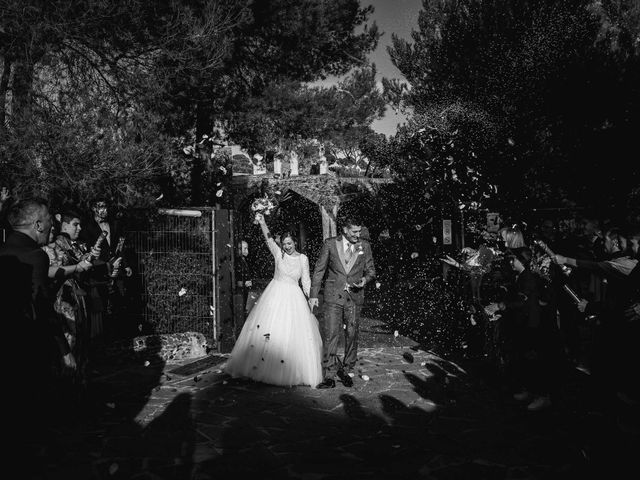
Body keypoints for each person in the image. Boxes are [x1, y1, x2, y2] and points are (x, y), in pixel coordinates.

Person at [0, 198, 76, 463]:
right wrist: (64, 350)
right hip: (28, 344)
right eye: (48, 221)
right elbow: (42, 306)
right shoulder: (36, 256)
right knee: (34, 404)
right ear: (37, 224)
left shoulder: (4, 251)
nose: (52, 227)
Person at [224, 213, 323, 387]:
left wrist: (311, 297)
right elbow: (269, 240)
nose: (287, 247)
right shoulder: (278, 254)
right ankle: (261, 367)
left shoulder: (303, 259)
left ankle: (290, 371)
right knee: (269, 330)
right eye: (284, 244)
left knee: (291, 332)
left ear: (295, 243)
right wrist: (263, 222)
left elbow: (306, 281)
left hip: (294, 298)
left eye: (289, 244)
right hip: (275, 295)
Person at [309, 216, 376, 389]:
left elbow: (371, 271)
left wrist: (364, 280)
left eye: (359, 231)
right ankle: (329, 375)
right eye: (354, 231)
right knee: (331, 335)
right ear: (345, 230)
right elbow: (319, 270)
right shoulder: (330, 244)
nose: (358, 234)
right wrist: (314, 294)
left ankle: (347, 371)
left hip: (354, 298)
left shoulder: (365, 246)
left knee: (352, 335)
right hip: (333, 296)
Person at [79, 199, 132, 339]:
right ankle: (103, 336)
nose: (104, 210)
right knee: (101, 304)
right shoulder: (86, 227)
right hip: (99, 270)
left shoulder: (115, 224)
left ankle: (120, 335)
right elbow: (88, 251)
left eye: (106, 206)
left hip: (118, 268)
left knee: (120, 302)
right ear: (93, 209)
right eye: (101, 207)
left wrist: (125, 265)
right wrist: (107, 263)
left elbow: (121, 245)